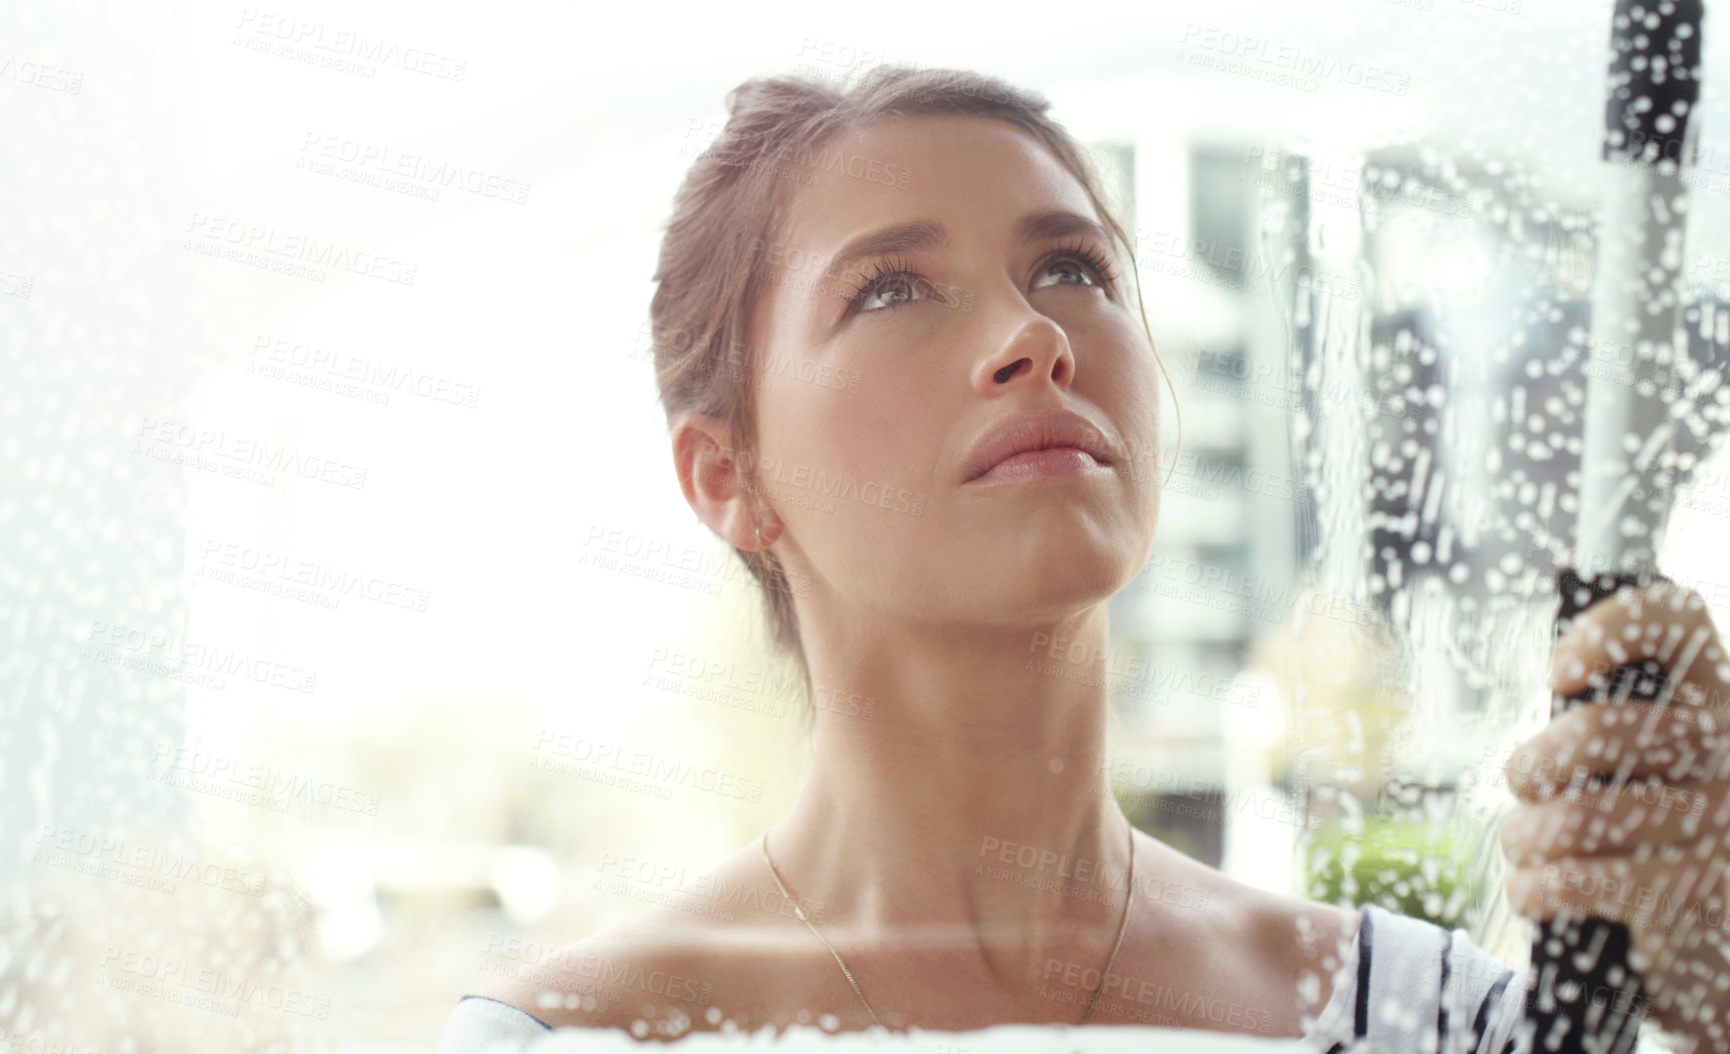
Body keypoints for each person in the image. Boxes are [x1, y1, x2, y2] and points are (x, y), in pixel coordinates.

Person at [439, 65, 1730, 1052]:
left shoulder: (1433, 1020)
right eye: (890, 288)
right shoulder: (578, 1037)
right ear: (730, 476)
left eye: (1072, 267)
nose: (1031, 335)